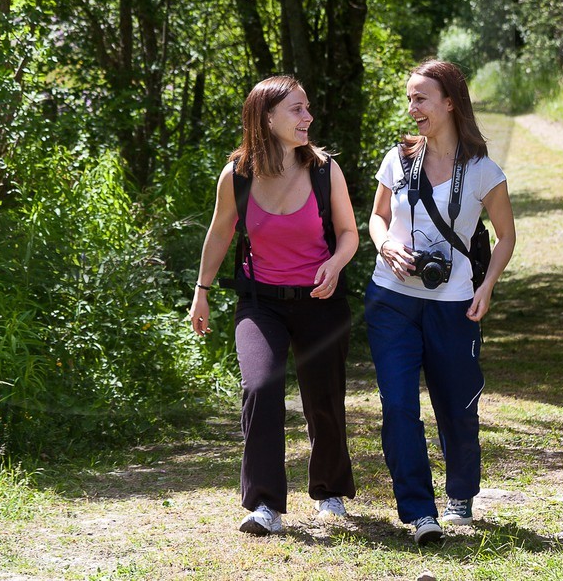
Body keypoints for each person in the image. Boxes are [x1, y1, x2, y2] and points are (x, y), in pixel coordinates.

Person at [187, 75, 361, 536]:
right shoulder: (238, 174)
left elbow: (349, 234)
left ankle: (329, 491)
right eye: (297, 110)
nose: (308, 118)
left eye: (307, 108)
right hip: (260, 302)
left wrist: (336, 265)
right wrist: (201, 291)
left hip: (320, 300)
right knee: (260, 386)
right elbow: (221, 231)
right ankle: (265, 505)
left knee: (323, 398)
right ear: (266, 118)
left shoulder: (325, 170)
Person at [362, 59, 517, 545]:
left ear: (449, 102)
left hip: (453, 304)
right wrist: (384, 243)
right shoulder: (398, 159)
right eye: (409, 99)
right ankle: (419, 513)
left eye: (421, 98)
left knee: (456, 406)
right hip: (391, 299)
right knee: (398, 404)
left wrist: (486, 286)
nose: (412, 108)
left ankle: (460, 496)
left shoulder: (482, 170)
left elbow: (507, 236)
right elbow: (376, 217)